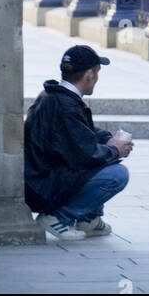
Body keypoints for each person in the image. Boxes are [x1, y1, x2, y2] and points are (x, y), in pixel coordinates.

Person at [24, 44, 134, 241]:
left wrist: (109, 140)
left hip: (44, 177)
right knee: (117, 174)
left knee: (107, 160)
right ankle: (57, 217)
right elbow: (85, 154)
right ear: (90, 75)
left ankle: (88, 219)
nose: (97, 79)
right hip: (44, 185)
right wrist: (115, 150)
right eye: (97, 74)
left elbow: (83, 134)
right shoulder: (65, 104)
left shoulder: (55, 96)